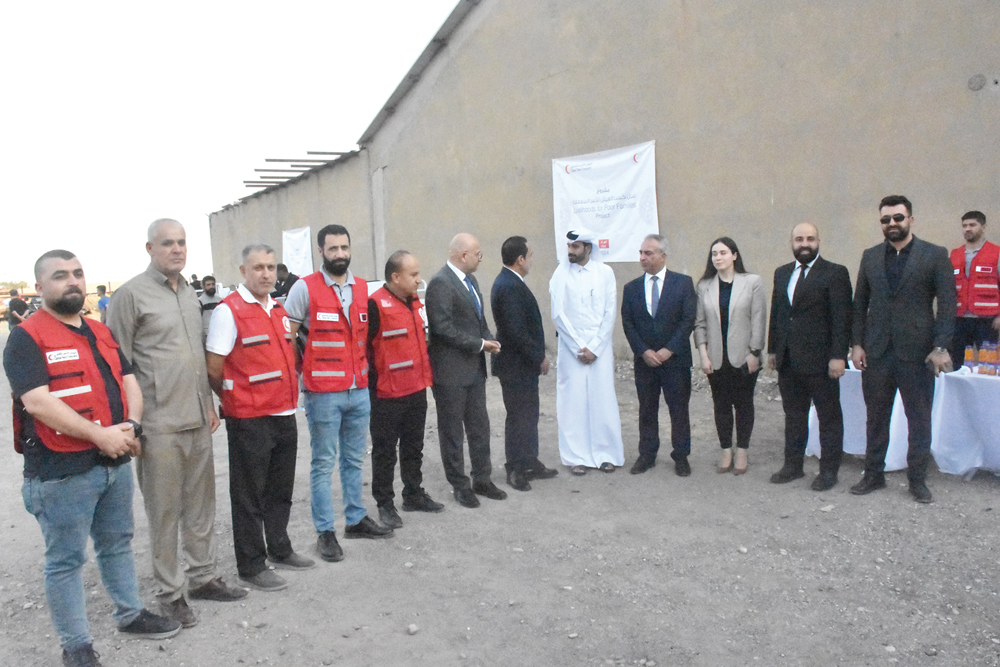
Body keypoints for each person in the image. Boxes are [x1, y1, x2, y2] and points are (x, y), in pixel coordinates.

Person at [4, 250, 181, 667]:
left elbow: (128, 379)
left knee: (117, 543)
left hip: (112, 464)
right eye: (60, 275)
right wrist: (100, 436)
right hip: (60, 472)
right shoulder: (26, 337)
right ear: (40, 286)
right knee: (65, 560)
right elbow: (39, 403)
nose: (72, 282)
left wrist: (132, 426)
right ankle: (76, 647)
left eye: (78, 274)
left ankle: (130, 613)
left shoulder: (100, 331)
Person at [107, 219, 247, 630]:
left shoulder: (190, 293)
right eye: (167, 243)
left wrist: (208, 403)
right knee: (165, 512)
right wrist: (131, 424)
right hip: (158, 424)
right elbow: (118, 364)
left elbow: (197, 356)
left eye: (182, 242)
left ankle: (203, 576)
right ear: (149, 248)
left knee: (201, 505)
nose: (177, 249)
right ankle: (171, 593)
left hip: (196, 419)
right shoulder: (131, 295)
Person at [205, 244, 315, 592]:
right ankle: (251, 564)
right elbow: (213, 366)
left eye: (270, 267)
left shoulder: (280, 310)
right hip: (250, 417)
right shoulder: (229, 311)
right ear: (243, 271)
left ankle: (280, 548)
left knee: (280, 489)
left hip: (283, 411)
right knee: (249, 494)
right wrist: (234, 398)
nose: (266, 274)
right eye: (258, 268)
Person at [285, 224, 393, 563]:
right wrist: (300, 377)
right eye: (332, 249)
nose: (340, 254)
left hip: (358, 390)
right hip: (322, 393)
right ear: (321, 251)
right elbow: (288, 339)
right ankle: (325, 532)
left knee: (353, 459)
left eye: (344, 247)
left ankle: (356, 518)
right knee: (322, 462)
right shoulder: (304, 289)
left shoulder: (362, 288)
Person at [851, 195, 956, 504]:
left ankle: (917, 479)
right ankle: (873, 475)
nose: (892, 224)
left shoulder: (935, 255)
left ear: (911, 219)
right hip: (878, 351)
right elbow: (860, 304)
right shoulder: (870, 256)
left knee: (919, 419)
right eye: (886, 219)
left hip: (918, 352)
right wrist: (857, 344)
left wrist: (941, 346)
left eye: (898, 217)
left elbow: (948, 305)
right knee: (875, 417)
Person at [767, 223, 853, 491]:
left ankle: (829, 471)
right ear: (791, 242)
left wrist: (839, 356)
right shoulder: (782, 273)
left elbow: (842, 319)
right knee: (793, 415)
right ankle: (793, 466)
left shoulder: (835, 273)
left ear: (818, 241)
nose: (805, 243)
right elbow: (778, 314)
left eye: (810, 239)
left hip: (821, 361)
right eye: (799, 239)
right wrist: (773, 349)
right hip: (789, 359)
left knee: (828, 417)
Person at [426, 233, 506, 507]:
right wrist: (480, 344)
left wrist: (489, 339)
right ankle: (460, 485)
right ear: (463, 256)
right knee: (452, 432)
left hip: (473, 370)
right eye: (478, 254)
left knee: (479, 427)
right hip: (450, 373)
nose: (480, 258)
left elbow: (478, 319)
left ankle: (482, 478)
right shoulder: (440, 284)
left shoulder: (470, 282)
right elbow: (442, 328)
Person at [366, 250, 444, 526]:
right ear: (395, 277)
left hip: (416, 388)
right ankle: (384, 503)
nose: (419, 280)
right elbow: (365, 350)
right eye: (413, 275)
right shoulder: (374, 305)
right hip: (387, 394)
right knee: (385, 450)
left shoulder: (415, 304)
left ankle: (413, 493)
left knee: (414, 446)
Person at [549, 228, 624, 475]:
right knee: (573, 403)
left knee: (602, 400)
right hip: (572, 351)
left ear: (588, 249)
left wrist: (594, 348)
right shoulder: (560, 275)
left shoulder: (605, 273)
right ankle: (576, 457)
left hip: (599, 349)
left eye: (576, 247)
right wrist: (577, 347)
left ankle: (606, 454)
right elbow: (558, 314)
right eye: (569, 247)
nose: (571, 251)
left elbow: (609, 313)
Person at [621, 233, 697, 477]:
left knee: (678, 410)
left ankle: (681, 456)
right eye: (641, 253)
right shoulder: (631, 288)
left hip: (675, 361)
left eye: (649, 253)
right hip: (645, 362)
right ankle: (647, 454)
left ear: (663, 256)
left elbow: (688, 320)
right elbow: (628, 323)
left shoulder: (683, 283)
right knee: (647, 409)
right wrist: (643, 350)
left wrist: (668, 350)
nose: (643, 257)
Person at [490, 236, 559, 491]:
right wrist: (538, 356)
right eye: (530, 255)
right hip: (515, 365)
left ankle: (530, 461)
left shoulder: (512, 282)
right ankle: (515, 468)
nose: (532, 260)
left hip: (521, 365)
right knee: (519, 417)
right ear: (520, 259)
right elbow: (516, 332)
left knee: (529, 415)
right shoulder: (508, 286)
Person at [694, 237, 767, 475]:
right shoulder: (704, 286)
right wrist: (703, 356)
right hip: (716, 358)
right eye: (714, 253)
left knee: (744, 404)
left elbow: (758, 319)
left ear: (734, 255)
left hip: (744, 357)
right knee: (721, 405)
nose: (718, 257)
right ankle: (726, 448)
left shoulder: (752, 282)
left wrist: (754, 352)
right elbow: (700, 324)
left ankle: (742, 450)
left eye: (723, 253)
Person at [948, 210, 999, 369]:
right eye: (964, 226)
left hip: (988, 320)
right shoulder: (954, 255)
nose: (967, 229)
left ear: (983, 227)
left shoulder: (996, 253)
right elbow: (948, 289)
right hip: (959, 320)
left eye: (972, 225)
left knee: (990, 364)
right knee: (957, 365)